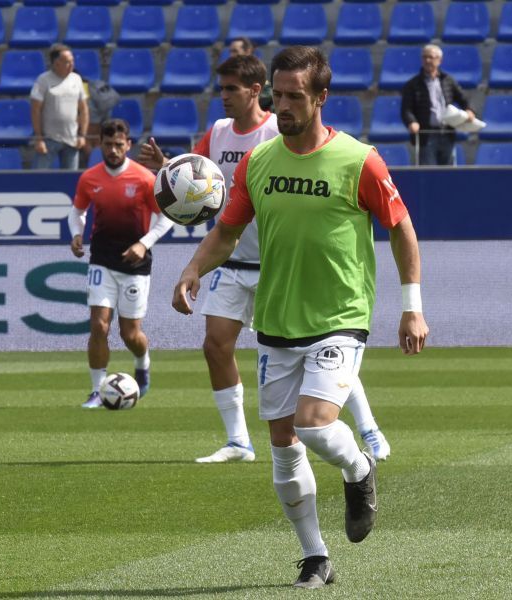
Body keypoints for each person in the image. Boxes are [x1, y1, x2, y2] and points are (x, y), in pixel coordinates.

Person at [172, 46, 429, 588]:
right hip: (276, 320)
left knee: (314, 425)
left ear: (320, 98)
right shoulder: (260, 163)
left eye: (293, 96)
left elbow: (401, 227)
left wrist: (412, 309)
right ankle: (315, 556)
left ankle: (359, 468)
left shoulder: (360, 160)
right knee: (284, 446)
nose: (282, 105)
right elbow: (227, 230)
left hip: (340, 315)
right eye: (277, 95)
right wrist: (193, 268)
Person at [139, 55, 394, 464]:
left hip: (280, 266)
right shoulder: (219, 132)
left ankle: (368, 429)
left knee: (325, 349)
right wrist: (169, 170)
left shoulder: (282, 130)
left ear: (255, 91)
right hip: (234, 258)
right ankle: (239, 441)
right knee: (215, 344)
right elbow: (198, 178)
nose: (223, 97)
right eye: (220, 89)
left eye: (231, 89)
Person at [69, 118, 174, 408]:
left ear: (128, 145)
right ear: (99, 144)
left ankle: (142, 361)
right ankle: (95, 391)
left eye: (119, 145)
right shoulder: (90, 178)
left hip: (135, 265)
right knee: (99, 326)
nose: (113, 150)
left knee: (130, 334)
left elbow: (166, 217)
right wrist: (77, 233)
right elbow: (77, 210)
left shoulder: (144, 178)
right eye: (108, 144)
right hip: (101, 260)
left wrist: (144, 244)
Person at [400, 44, 474, 166]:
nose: (427, 60)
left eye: (431, 57)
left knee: (449, 175)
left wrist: (469, 110)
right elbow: (406, 109)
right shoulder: (412, 84)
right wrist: (411, 122)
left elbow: (463, 98)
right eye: (424, 57)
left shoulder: (448, 80)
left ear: (439, 60)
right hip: (426, 136)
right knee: (428, 173)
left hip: (447, 134)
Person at [30, 44, 89, 170]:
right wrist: (39, 138)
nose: (72, 65)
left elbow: (84, 109)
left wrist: (82, 135)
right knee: (39, 178)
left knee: (70, 180)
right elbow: (35, 110)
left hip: (71, 139)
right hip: (48, 139)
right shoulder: (42, 80)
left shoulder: (77, 79)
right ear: (56, 63)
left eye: (72, 61)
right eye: (68, 62)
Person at [226, 37, 273, 112]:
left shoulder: (257, 72)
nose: (231, 55)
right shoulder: (230, 76)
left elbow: (268, 95)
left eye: (235, 51)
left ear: (248, 51)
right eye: (230, 52)